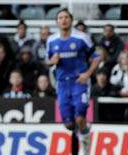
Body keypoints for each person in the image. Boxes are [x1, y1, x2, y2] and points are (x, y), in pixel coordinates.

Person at [47, 9, 100, 154]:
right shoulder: (51, 40)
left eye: (66, 17)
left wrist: (88, 74)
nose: (63, 20)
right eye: (60, 18)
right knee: (69, 124)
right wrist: (52, 61)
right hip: (62, 83)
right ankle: (82, 132)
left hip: (79, 82)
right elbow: (48, 61)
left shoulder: (82, 38)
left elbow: (96, 57)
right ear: (57, 22)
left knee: (79, 118)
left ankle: (85, 143)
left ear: (71, 20)